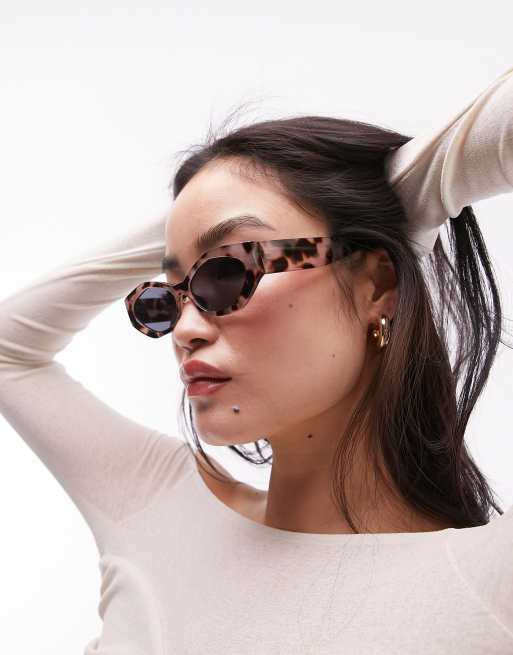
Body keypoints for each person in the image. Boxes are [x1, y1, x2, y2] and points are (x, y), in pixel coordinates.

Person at [1, 65, 512, 654]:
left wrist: (415, 189)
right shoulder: (156, 508)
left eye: (227, 272)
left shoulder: (485, 582)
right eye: (167, 297)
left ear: (377, 285)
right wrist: (198, 218)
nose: (184, 330)